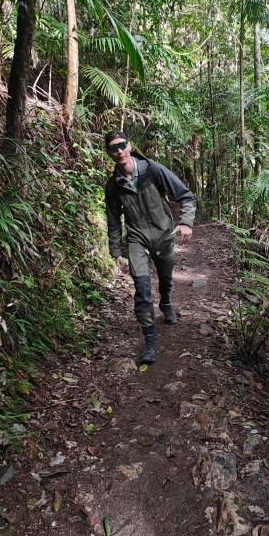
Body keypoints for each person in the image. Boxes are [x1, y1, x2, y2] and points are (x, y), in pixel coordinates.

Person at [104, 131, 196, 364]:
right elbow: (113, 220)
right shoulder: (113, 185)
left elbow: (185, 196)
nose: (119, 151)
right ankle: (150, 339)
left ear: (129, 145)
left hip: (164, 235)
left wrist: (186, 222)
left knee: (165, 278)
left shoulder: (152, 170)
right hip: (137, 240)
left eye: (122, 145)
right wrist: (116, 251)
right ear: (109, 153)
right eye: (113, 148)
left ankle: (166, 302)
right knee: (142, 287)